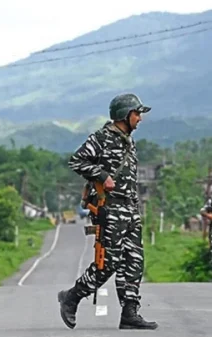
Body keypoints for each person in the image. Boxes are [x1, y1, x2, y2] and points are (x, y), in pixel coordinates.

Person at [57, 93, 158, 330]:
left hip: (130, 208)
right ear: (125, 115)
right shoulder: (101, 138)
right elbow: (76, 161)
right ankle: (71, 297)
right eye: (137, 114)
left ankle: (130, 313)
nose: (140, 119)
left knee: (134, 261)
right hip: (109, 207)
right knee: (108, 263)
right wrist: (102, 176)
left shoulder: (128, 140)